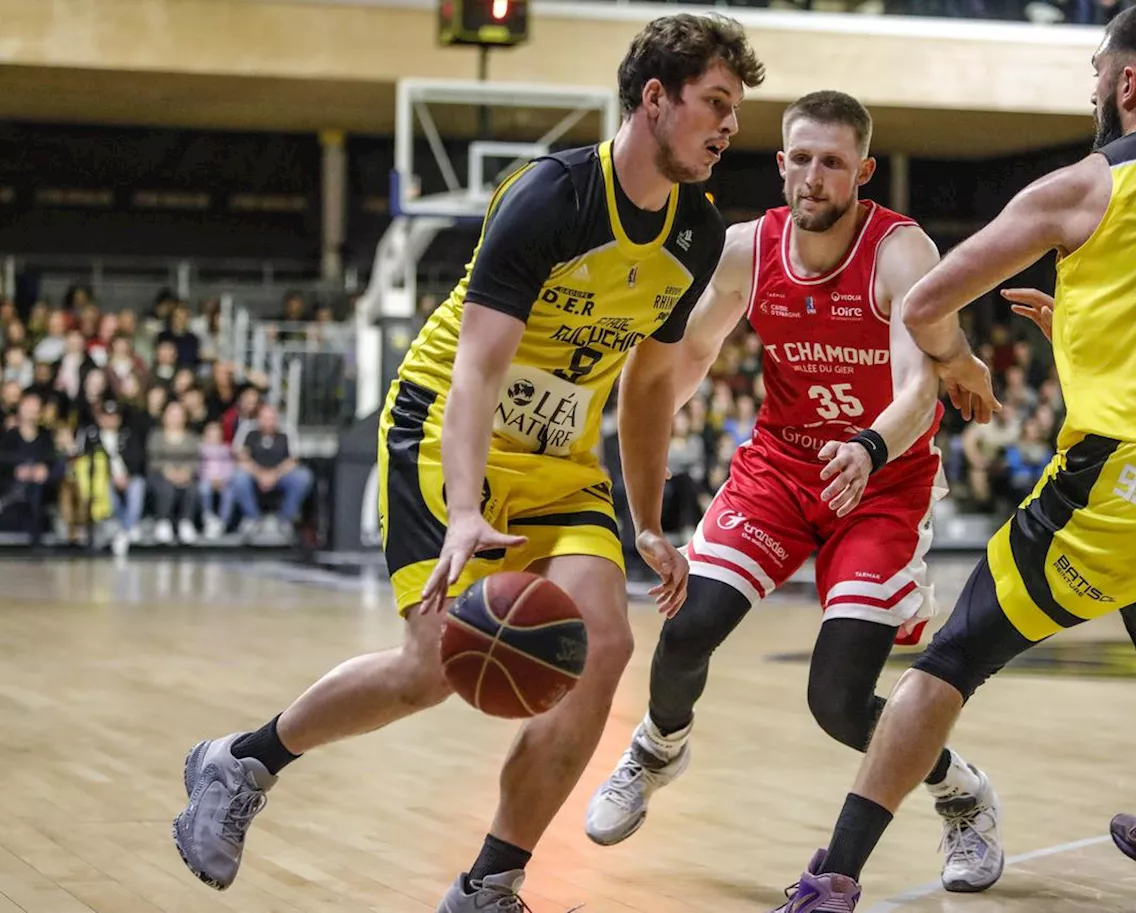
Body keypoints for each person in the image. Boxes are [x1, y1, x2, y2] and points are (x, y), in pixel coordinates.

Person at [171, 14, 765, 913]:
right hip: (449, 433)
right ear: (656, 98)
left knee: (604, 648)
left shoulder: (696, 236)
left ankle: (489, 883)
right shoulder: (550, 197)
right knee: (431, 668)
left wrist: (646, 519)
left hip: (562, 460)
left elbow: (647, 390)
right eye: (715, 102)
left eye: (735, 110)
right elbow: (478, 369)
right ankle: (243, 759)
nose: (728, 126)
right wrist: (460, 510)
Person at [774, 3, 1136, 909]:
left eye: (1098, 70)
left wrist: (962, 359)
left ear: (1128, 82)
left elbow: (922, 302)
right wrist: (1086, 332)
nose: (1093, 87)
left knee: (948, 663)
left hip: (1132, 480)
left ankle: (834, 872)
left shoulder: (1086, 184)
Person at [584, 91, 1004, 895]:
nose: (814, 176)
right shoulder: (748, 247)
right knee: (687, 628)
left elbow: (922, 387)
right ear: (780, 164)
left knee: (839, 702)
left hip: (883, 478)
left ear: (863, 171)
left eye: (833, 162)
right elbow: (689, 357)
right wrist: (642, 432)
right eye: (801, 159)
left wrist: (872, 442)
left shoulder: (900, 251)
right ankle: (656, 747)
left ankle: (960, 791)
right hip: (780, 467)